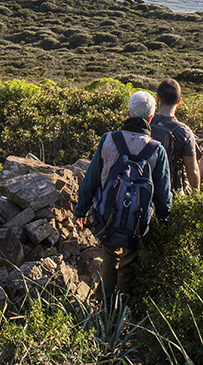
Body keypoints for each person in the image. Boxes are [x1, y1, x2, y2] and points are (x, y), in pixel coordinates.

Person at [74, 90, 172, 298]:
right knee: (129, 260)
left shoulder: (109, 140)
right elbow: (163, 195)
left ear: (127, 114)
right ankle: (124, 310)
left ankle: (105, 309)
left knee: (109, 256)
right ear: (151, 118)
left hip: (107, 215)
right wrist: (165, 220)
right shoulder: (157, 150)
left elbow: (91, 179)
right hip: (137, 223)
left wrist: (81, 210)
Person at [150, 78, 201, 195]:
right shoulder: (184, 132)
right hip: (170, 191)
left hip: (142, 189)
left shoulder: (145, 123)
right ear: (179, 101)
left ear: (157, 97)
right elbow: (192, 171)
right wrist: (197, 194)